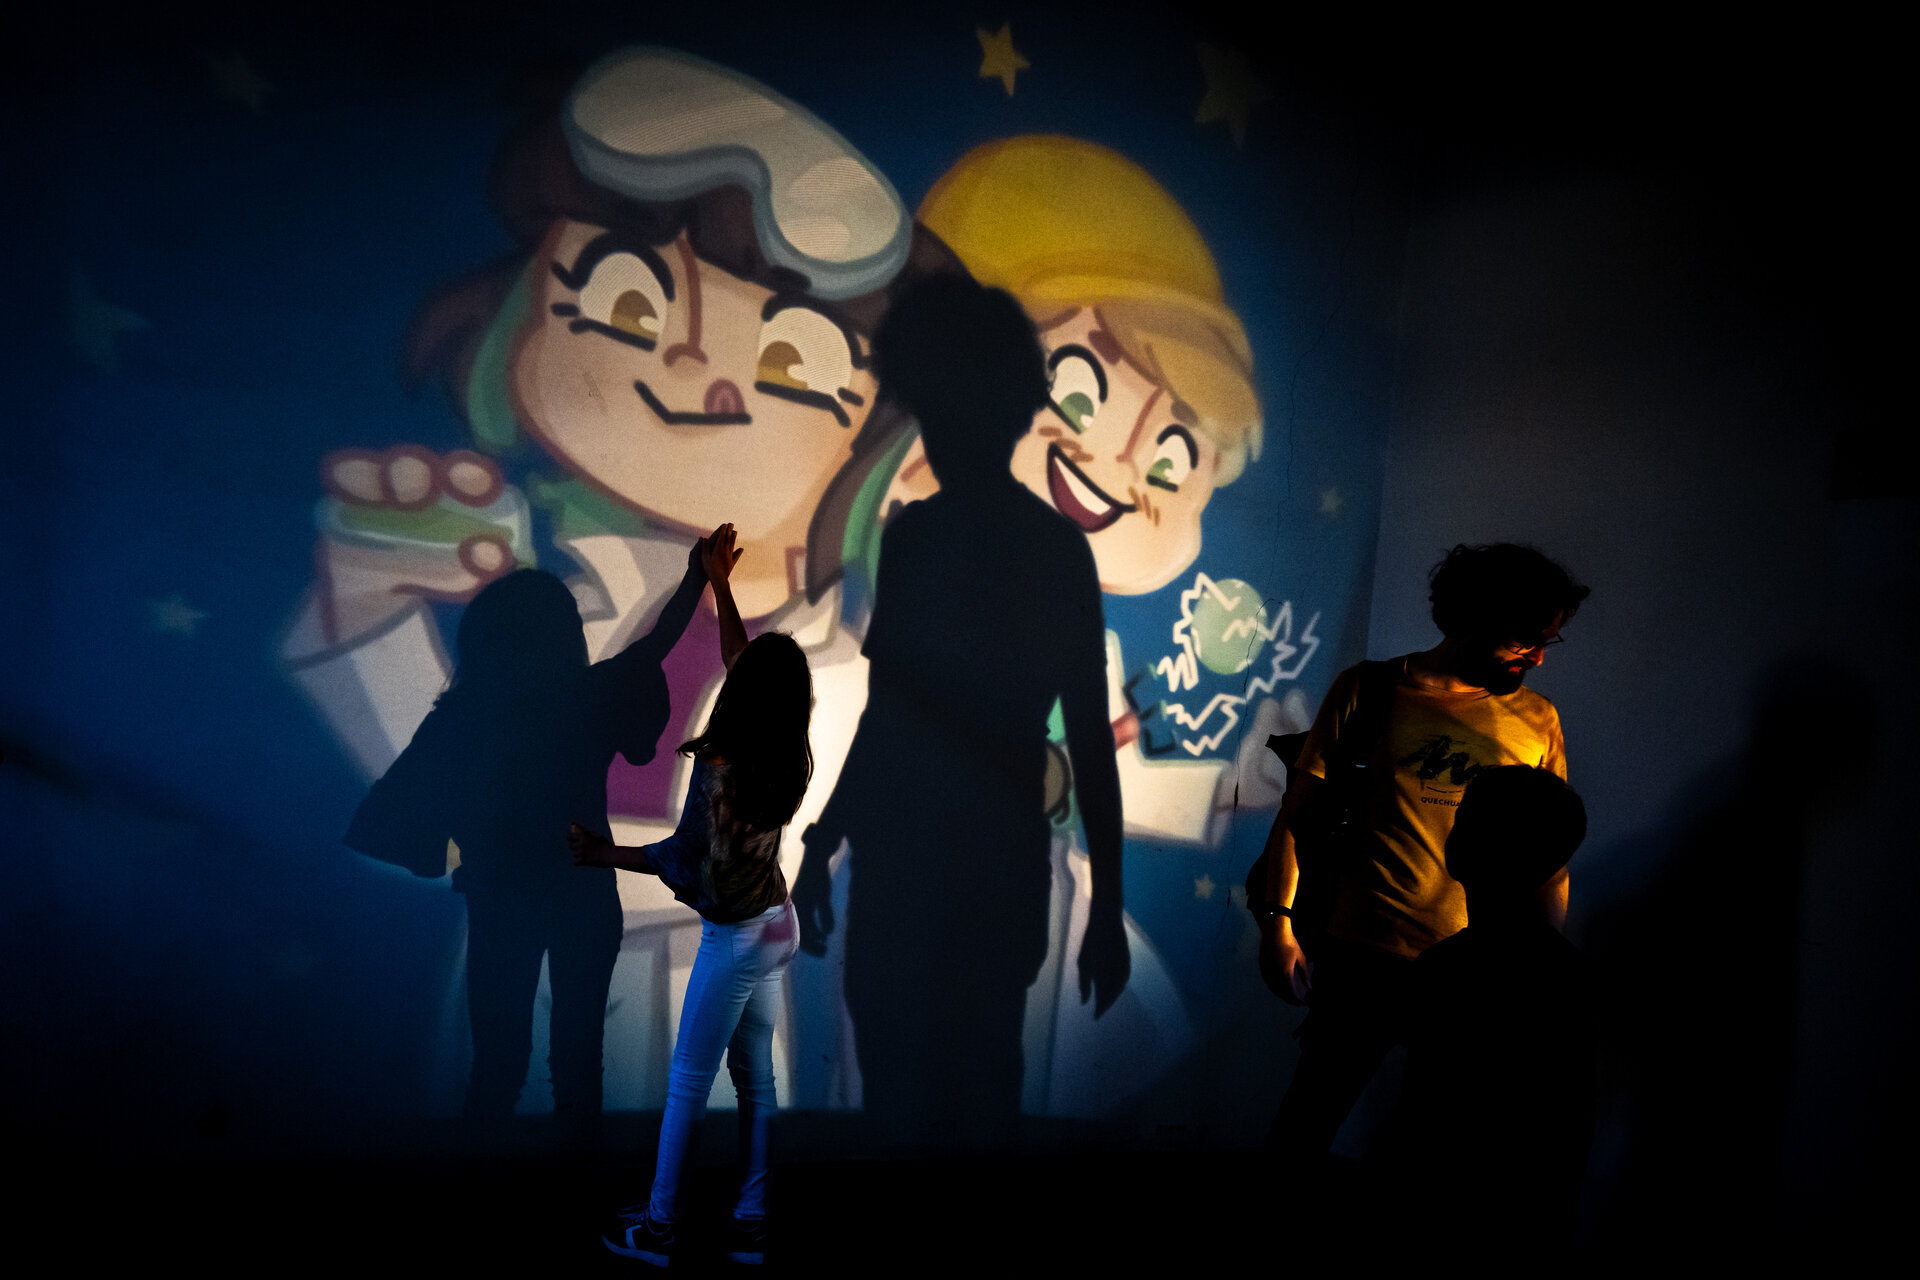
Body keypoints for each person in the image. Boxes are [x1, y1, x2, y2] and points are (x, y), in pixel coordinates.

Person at [792, 274, 1130, 1151]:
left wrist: (825, 842)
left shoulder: (919, 539)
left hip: (906, 865)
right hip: (995, 863)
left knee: (900, 1100)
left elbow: (887, 718)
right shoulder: (1055, 551)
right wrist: (1106, 909)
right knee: (981, 1094)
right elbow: (1088, 742)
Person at [343, 543, 711, 1125]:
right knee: (577, 1063)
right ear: (564, 635)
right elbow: (657, 644)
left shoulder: (464, 718)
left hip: (501, 897)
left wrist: (450, 847)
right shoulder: (585, 699)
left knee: (497, 1066)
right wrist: (696, 580)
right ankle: (576, 1173)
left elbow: (384, 815)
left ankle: (486, 1174)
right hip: (582, 894)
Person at [1255, 542, 1590, 1169]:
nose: (1539, 658)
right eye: (1524, 640)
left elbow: (1547, 856)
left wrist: (1539, 965)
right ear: (1472, 619)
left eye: (1548, 642)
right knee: (1307, 1123)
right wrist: (1278, 927)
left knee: (1449, 1148)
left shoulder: (1538, 719)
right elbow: (1299, 818)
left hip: (1476, 969)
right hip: (1362, 954)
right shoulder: (1369, 690)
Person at [570, 523, 809, 1267]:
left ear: (746, 694)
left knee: (687, 1085)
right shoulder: (788, 745)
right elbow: (746, 664)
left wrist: (602, 853)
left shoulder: (724, 766)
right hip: (776, 922)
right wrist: (719, 585)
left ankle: (660, 1229)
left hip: (736, 938)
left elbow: (684, 859)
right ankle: (751, 1222)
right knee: (756, 1080)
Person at [1375, 765, 1596, 1254]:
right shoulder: (1574, 978)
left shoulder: (1444, 971)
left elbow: (1424, 1116)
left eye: (1464, 818)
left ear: (1467, 845)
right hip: (1531, 1222)